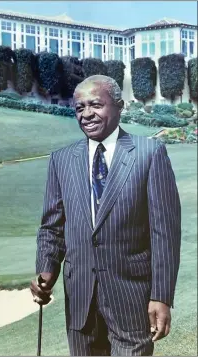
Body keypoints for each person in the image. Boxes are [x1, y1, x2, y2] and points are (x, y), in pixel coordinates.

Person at [30, 75, 181, 356]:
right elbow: (52, 227)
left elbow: (165, 234)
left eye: (96, 105)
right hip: (80, 300)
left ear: (119, 106)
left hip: (132, 299)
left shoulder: (150, 154)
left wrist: (161, 296)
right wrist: (46, 267)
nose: (86, 114)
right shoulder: (61, 160)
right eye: (79, 108)